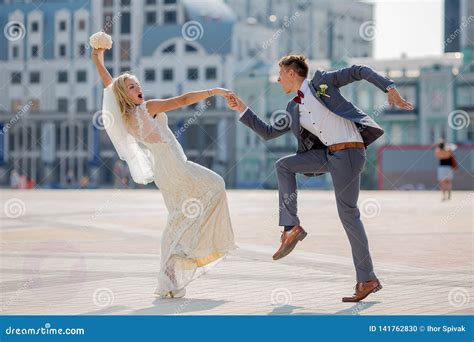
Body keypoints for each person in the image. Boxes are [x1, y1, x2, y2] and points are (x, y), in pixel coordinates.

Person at [226, 55, 413, 302]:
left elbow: (360, 70)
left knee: (349, 215)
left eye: (280, 74)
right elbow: (268, 132)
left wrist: (389, 88)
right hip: (329, 156)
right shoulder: (293, 107)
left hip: (349, 151)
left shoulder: (323, 82)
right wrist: (242, 108)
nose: (278, 79)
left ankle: (367, 279)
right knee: (283, 165)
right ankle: (291, 227)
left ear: (292, 73)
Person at [91, 47, 236, 299]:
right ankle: (193, 253)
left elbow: (108, 83)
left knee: (179, 218)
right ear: (123, 95)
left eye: (137, 84)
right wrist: (214, 91)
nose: (138, 88)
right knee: (215, 186)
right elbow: (182, 100)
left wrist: (97, 56)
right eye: (131, 87)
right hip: (175, 165)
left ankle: (170, 274)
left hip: (163, 172)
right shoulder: (148, 107)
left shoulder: (124, 116)